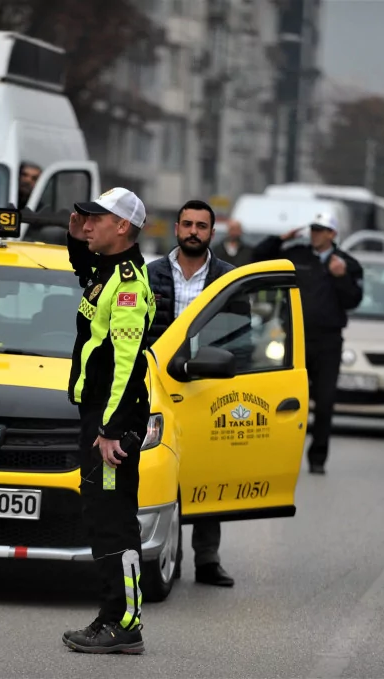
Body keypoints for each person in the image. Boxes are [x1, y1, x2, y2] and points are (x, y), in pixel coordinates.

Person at [62, 187, 156, 655]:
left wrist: (111, 429)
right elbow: (83, 265)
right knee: (101, 518)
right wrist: (75, 233)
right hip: (97, 416)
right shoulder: (104, 271)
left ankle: (125, 624)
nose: (90, 222)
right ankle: (111, 615)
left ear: (123, 227)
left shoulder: (128, 284)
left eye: (99, 217)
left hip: (111, 420)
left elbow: (127, 363)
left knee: (114, 522)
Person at [146, 199, 236, 588]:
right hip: (157, 386)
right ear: (176, 228)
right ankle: (167, 554)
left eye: (202, 226)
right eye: (187, 224)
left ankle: (208, 559)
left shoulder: (227, 279)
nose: (193, 232)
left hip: (207, 385)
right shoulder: (150, 275)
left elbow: (238, 335)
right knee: (161, 469)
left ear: (212, 233)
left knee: (208, 470)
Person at [251, 212, 363, 475]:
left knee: (324, 403)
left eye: (321, 229)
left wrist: (341, 277)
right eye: (313, 228)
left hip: (328, 343)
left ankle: (317, 458)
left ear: (332, 235)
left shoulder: (347, 264)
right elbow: (257, 258)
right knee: (288, 402)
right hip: (295, 340)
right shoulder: (297, 255)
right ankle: (282, 456)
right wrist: (279, 239)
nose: (315, 233)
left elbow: (353, 300)